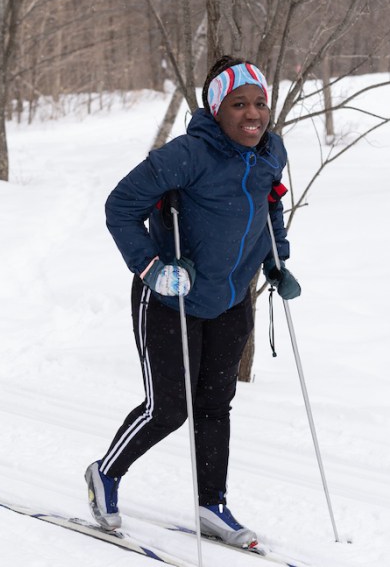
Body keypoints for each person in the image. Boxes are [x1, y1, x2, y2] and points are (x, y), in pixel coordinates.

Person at [86, 56, 302, 548]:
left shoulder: (272, 151)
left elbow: (271, 206)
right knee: (168, 408)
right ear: (216, 109)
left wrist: (277, 261)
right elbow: (119, 207)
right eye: (239, 104)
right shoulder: (185, 155)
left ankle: (211, 505)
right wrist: (152, 269)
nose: (253, 114)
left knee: (215, 405)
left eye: (260, 103)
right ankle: (105, 473)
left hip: (230, 301)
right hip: (169, 300)